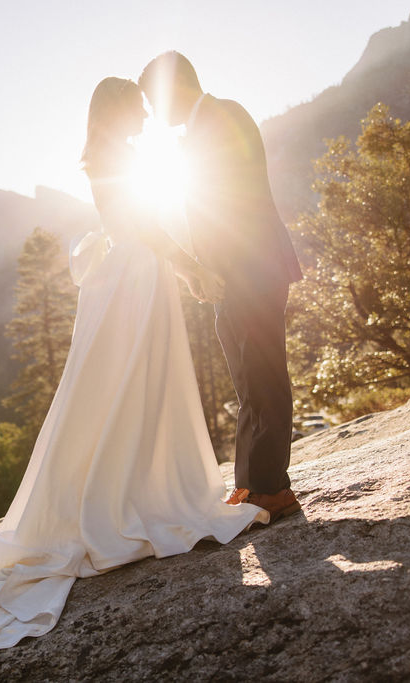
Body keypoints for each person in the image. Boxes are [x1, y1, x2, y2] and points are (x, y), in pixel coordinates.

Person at [0, 77, 265, 680]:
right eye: (136, 106)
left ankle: (137, 486)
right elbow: (142, 227)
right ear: (116, 111)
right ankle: (131, 495)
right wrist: (188, 266)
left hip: (136, 278)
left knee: (136, 389)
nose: (144, 113)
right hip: (138, 280)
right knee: (132, 387)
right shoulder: (117, 158)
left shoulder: (114, 155)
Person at [138, 52, 303, 520]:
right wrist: (206, 271)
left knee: (265, 375)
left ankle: (271, 488)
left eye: (153, 100)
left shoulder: (223, 116)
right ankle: (252, 484)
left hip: (252, 269)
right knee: (248, 378)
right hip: (231, 276)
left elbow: (237, 204)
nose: (152, 112)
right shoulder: (201, 127)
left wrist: (221, 269)